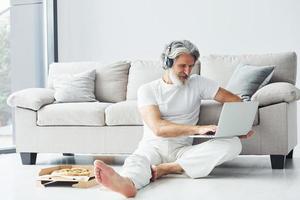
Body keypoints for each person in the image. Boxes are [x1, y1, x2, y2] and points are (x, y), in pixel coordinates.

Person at [94, 40, 254, 197]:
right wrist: (199, 129)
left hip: (182, 150)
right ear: (167, 63)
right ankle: (127, 183)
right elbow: (158, 128)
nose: (187, 71)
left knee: (233, 144)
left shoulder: (197, 83)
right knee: (138, 161)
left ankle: (169, 168)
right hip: (153, 147)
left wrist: (237, 128)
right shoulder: (147, 90)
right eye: (182, 66)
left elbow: (235, 100)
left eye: (191, 66)